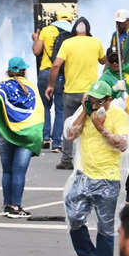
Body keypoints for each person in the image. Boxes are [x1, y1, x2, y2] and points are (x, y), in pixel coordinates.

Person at [64, 80, 129, 256]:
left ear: (108, 99)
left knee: (105, 227)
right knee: (75, 218)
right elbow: (70, 135)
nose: (95, 105)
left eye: (99, 101)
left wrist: (102, 129)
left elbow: (123, 144)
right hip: (84, 175)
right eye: (91, 100)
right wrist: (85, 111)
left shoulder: (117, 115)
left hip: (108, 178)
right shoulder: (86, 113)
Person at [0, 57, 44, 218]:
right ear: (24, 71)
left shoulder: (3, 86)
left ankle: (7, 204)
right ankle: (15, 206)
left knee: (7, 171)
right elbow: (39, 112)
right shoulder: (31, 87)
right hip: (25, 136)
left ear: (9, 70)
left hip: (5, 135)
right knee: (19, 172)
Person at [48, 17, 106, 170]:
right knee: (92, 125)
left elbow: (56, 65)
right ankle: (91, 159)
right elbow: (104, 61)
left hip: (70, 92)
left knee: (70, 124)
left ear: (74, 30)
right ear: (88, 30)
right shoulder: (95, 42)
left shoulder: (67, 43)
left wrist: (51, 85)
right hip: (91, 94)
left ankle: (67, 159)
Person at [32, 11, 73, 152]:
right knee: (60, 108)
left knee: (45, 106)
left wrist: (36, 38)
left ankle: (45, 137)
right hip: (61, 74)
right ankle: (56, 143)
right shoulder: (71, 34)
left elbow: (36, 51)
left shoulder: (47, 30)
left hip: (44, 72)